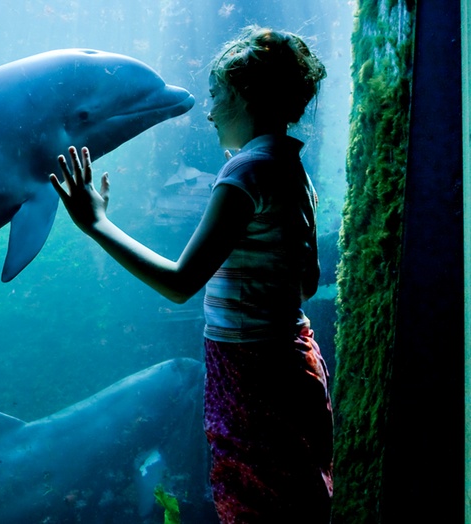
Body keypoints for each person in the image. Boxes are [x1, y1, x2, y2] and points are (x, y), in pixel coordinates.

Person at [50, 26, 333, 523]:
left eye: (217, 96)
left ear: (246, 96)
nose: (208, 111)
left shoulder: (245, 173)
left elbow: (180, 284)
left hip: (249, 372)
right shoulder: (290, 168)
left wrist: (96, 224)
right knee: (294, 498)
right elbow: (305, 284)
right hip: (295, 360)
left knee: (253, 503)